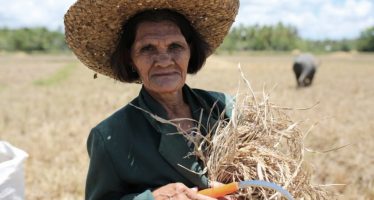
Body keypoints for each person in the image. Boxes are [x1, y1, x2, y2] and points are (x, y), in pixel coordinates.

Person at [64, 0, 239, 199]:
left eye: (175, 46)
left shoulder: (226, 109)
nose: (164, 60)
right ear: (130, 58)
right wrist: (152, 198)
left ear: (190, 51)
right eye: (147, 48)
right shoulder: (110, 137)